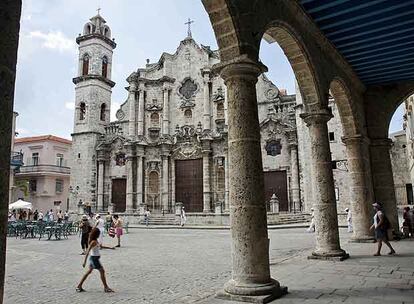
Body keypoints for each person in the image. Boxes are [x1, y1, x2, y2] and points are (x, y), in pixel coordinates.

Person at [76, 228, 115, 293]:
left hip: (94, 258)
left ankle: (79, 286)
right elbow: (87, 252)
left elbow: (101, 247)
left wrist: (110, 247)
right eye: (99, 233)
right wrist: (84, 262)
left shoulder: (95, 240)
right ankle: (106, 287)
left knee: (89, 272)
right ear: (96, 234)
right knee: (102, 271)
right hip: (94, 259)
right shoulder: (93, 242)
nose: (99, 234)